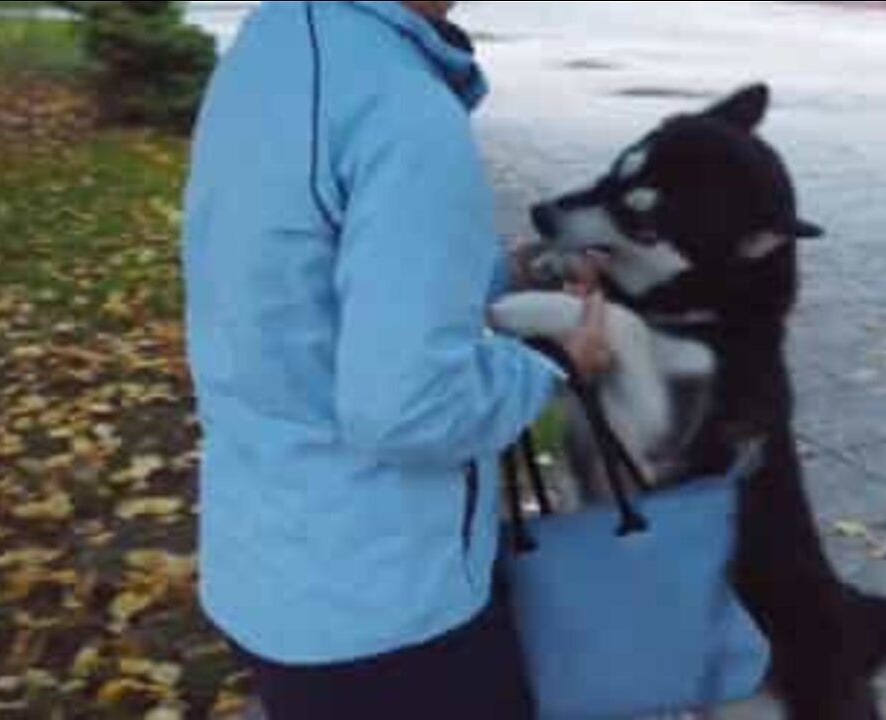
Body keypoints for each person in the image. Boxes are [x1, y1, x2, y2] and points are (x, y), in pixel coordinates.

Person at [181, 2, 610, 717]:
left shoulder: (268, 51)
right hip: (389, 612)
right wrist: (552, 358)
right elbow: (409, 406)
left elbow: (299, 277)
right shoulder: (404, 109)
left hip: (265, 577)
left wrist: (506, 271)